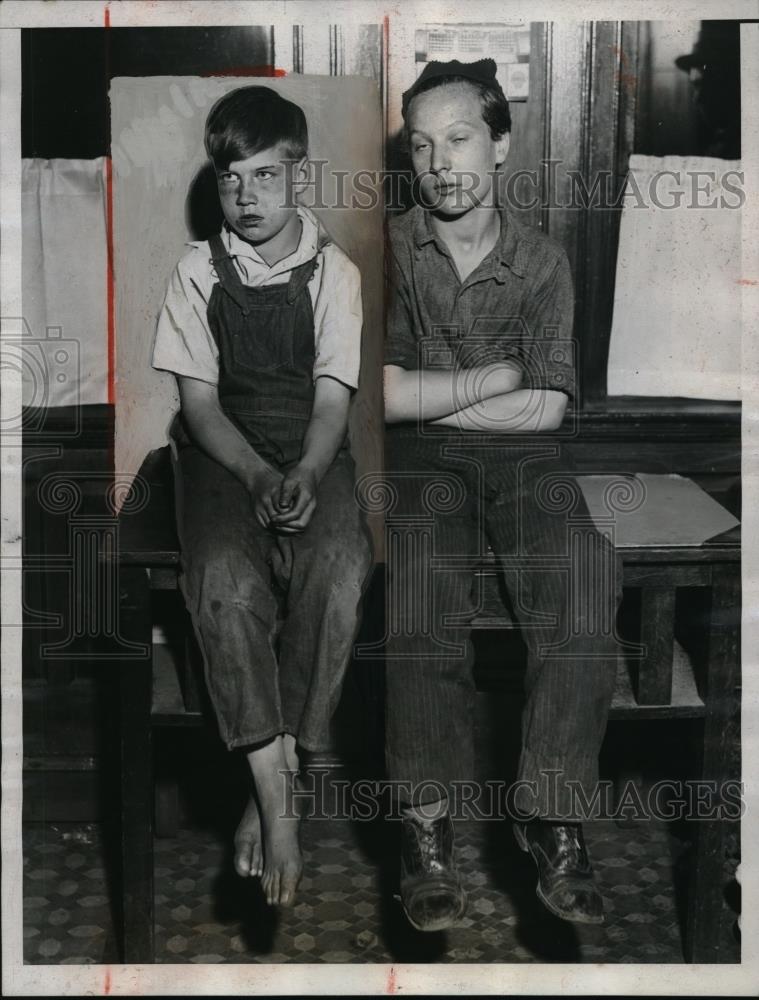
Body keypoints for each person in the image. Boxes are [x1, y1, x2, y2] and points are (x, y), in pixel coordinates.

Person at [383, 59, 622, 931]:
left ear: (500, 144)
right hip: (416, 466)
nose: (440, 161)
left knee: (588, 575)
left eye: (458, 138)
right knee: (416, 587)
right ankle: (423, 827)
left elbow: (549, 406)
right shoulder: (387, 255)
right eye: (421, 145)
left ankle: (550, 812)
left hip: (529, 464)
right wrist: (495, 379)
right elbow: (377, 398)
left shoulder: (542, 263)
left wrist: (434, 393)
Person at [152, 85, 373, 908]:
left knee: (342, 563)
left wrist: (309, 474)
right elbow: (200, 407)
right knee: (221, 577)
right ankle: (278, 798)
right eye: (231, 180)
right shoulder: (194, 271)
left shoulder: (335, 273)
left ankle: (274, 780)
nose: (248, 197)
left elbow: (330, 403)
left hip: (310, 447)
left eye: (267, 177)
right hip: (222, 455)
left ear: (299, 175)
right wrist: (254, 477)